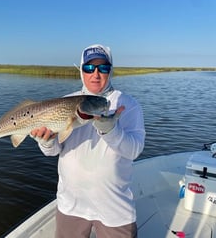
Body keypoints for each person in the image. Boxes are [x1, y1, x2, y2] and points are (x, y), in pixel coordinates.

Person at [30, 44, 145, 238]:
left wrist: (111, 130)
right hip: (71, 205)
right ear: (81, 70)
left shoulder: (128, 104)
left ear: (111, 70)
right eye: (89, 68)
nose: (96, 74)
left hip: (114, 208)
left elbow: (134, 150)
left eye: (103, 68)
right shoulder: (66, 102)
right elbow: (53, 151)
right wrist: (47, 141)